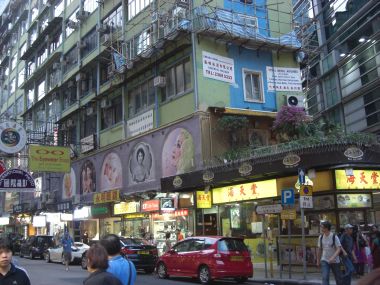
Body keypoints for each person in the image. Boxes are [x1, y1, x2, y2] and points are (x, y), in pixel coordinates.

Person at [316, 221, 342, 285]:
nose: (321, 229)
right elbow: (319, 249)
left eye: (322, 227)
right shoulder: (321, 237)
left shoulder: (334, 236)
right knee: (325, 277)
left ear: (326, 228)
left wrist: (333, 258)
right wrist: (318, 261)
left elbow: (339, 248)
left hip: (335, 261)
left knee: (338, 278)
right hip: (324, 260)